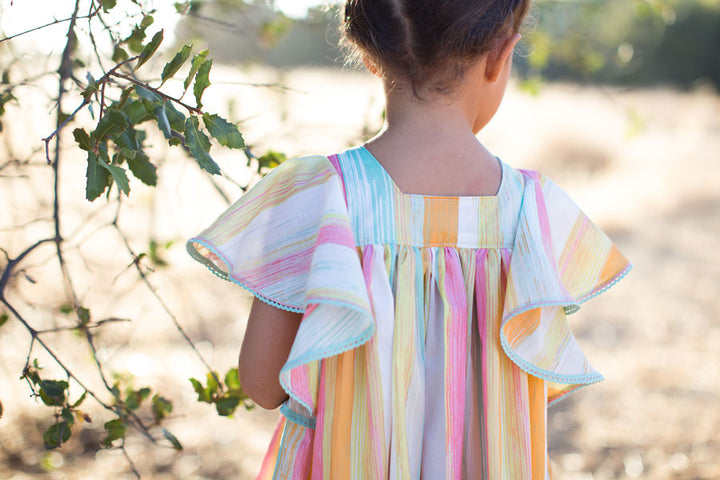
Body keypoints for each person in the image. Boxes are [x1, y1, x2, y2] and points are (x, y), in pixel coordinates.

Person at [187, 0, 631, 478]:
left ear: (369, 53)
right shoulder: (532, 211)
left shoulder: (325, 194)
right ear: (501, 55)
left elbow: (262, 383)